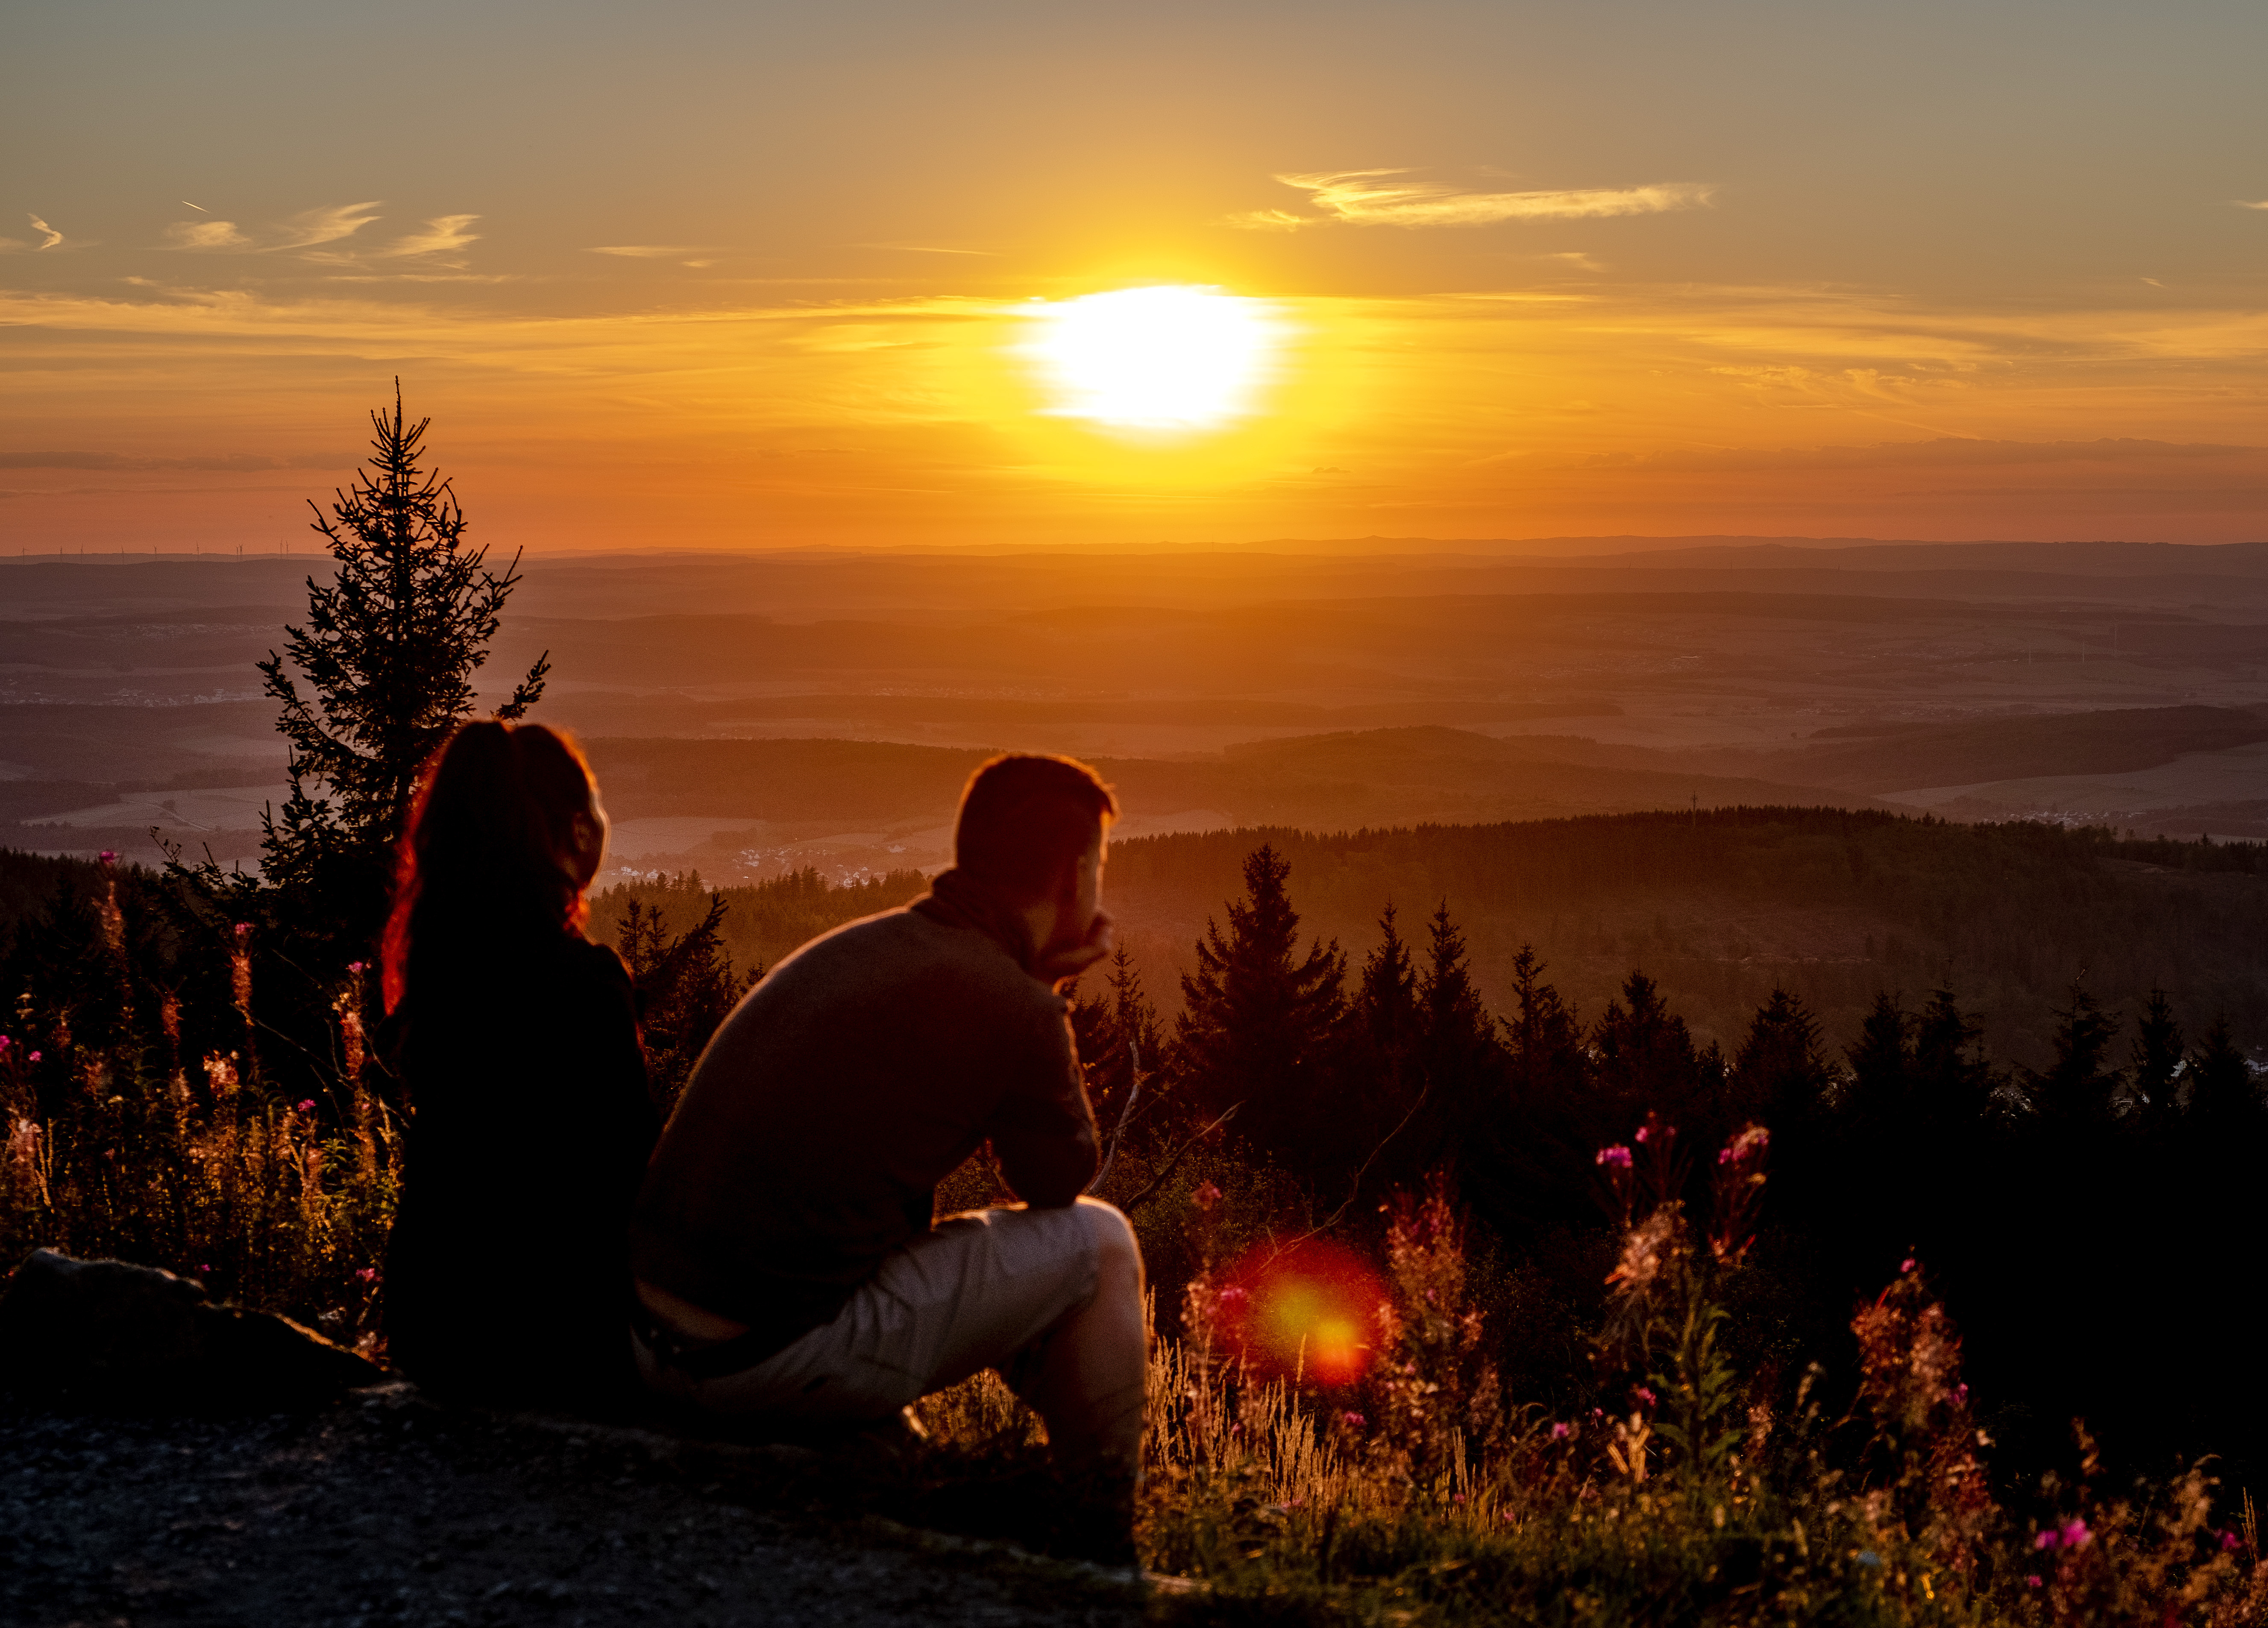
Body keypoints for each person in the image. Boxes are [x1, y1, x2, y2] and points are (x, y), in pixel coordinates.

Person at [628, 753, 1145, 1552]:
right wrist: (1044, 991)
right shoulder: (1010, 998)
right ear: (1076, 876)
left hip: (647, 1338)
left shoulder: (863, 946)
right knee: (1100, 1242)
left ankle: (907, 1454)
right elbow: (1059, 1179)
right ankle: (1100, 1527)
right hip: (756, 1365)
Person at [381, 721, 660, 1413]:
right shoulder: (585, 985)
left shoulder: (440, 972)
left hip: (434, 1331)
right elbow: (629, 1182)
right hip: (560, 1347)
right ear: (578, 833)